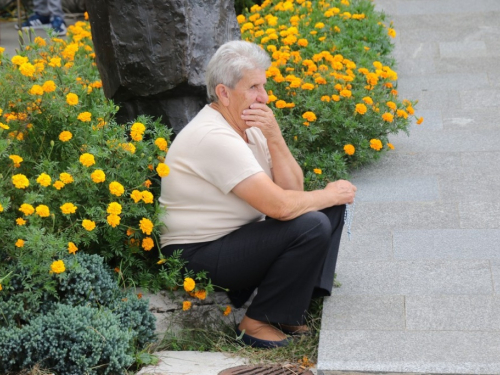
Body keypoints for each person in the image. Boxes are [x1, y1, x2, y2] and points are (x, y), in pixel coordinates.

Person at [158, 40, 356, 348]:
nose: (263, 97)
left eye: (263, 85)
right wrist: (329, 194)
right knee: (314, 220)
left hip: (237, 240)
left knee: (324, 211)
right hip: (196, 254)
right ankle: (256, 323)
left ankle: (290, 309)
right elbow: (279, 207)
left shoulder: (248, 125)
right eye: (253, 87)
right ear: (223, 93)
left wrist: (275, 138)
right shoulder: (214, 136)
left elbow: (293, 192)